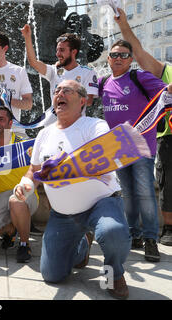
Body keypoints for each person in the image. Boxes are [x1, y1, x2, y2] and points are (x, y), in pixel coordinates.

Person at [16, 79, 131, 299]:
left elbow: (107, 152)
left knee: (112, 232)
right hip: (63, 215)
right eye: (57, 91)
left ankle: (114, 274)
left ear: (83, 101)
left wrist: (64, 163)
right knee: (52, 275)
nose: (60, 94)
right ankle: (82, 246)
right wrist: (24, 186)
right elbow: (34, 171)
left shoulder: (95, 125)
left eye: (67, 91)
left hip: (102, 204)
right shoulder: (44, 134)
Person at [100, 40, 171, 262]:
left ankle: (150, 239)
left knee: (146, 194)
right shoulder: (103, 82)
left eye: (123, 54)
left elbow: (166, 93)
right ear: (108, 59)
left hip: (142, 147)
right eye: (114, 54)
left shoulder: (140, 78)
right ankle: (134, 235)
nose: (118, 58)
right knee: (128, 195)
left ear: (131, 59)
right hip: (118, 149)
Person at [113, 7, 172, 246]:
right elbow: (138, 53)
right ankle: (168, 228)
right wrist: (124, 26)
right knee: (168, 182)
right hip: (169, 137)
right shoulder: (166, 71)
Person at [0, 106, 39, 263]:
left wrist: (27, 187)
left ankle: (25, 244)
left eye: (1, 119)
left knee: (15, 201)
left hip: (25, 193)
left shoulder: (24, 145)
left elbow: (39, 171)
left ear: (10, 123)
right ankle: (10, 230)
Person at [21, 24, 98, 108]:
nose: (58, 54)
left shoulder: (88, 72)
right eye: (57, 50)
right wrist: (27, 38)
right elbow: (33, 63)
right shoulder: (53, 70)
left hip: (76, 120)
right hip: (55, 120)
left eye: (62, 50)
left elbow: (89, 101)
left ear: (74, 52)